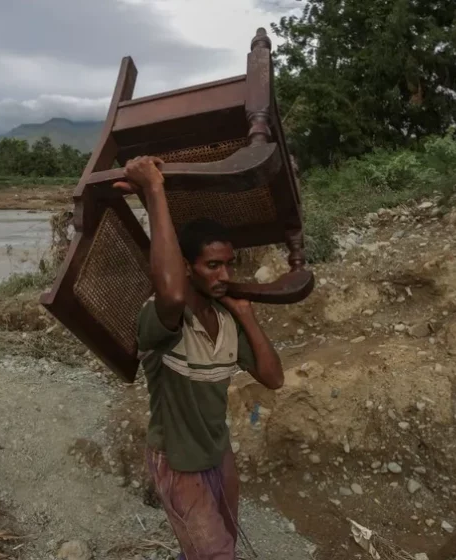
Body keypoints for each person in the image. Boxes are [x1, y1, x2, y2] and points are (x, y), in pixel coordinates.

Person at [114, 156, 284, 560]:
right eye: (212, 266)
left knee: (223, 538)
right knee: (214, 555)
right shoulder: (160, 317)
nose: (223, 275)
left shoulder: (225, 320)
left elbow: (273, 377)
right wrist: (153, 190)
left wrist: (246, 315)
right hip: (178, 462)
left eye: (228, 265)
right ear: (187, 269)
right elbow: (171, 292)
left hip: (217, 453)